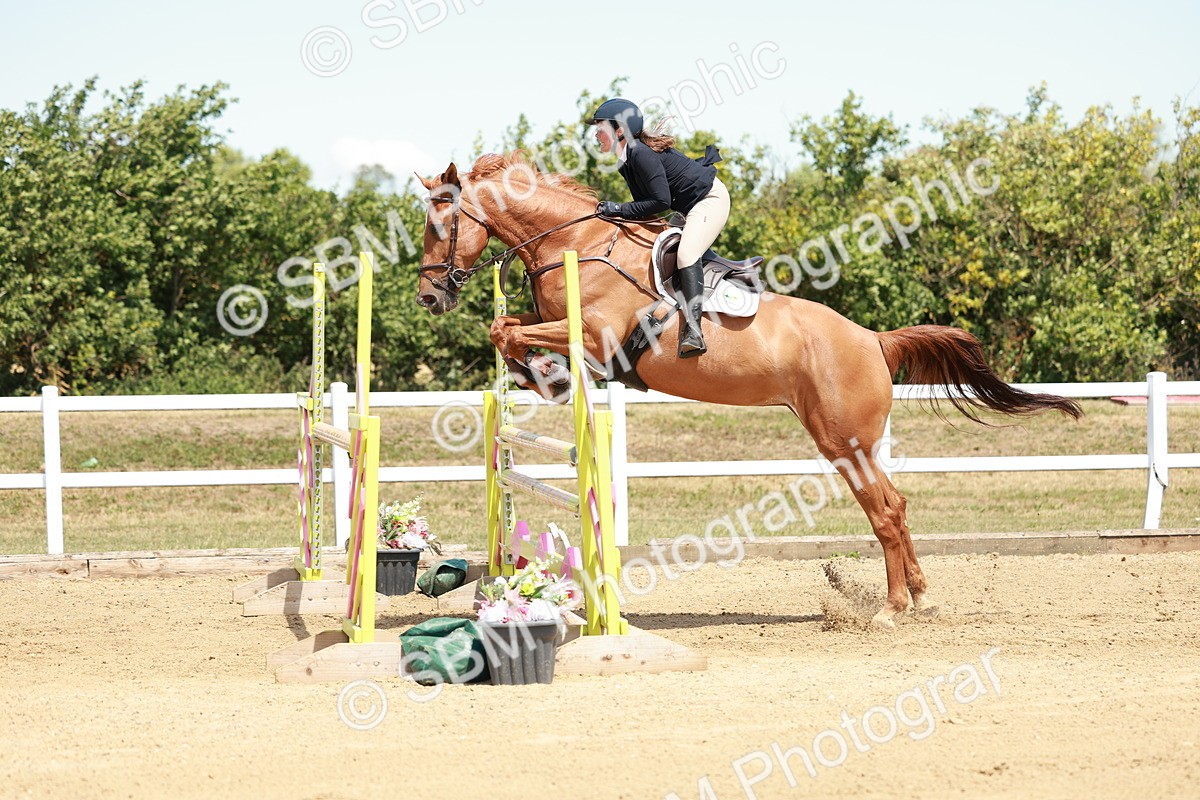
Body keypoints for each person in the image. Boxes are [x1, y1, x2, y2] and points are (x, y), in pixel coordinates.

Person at [586, 98, 728, 358]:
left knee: (686, 254)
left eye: (600, 128)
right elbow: (645, 207)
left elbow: (659, 202)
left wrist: (617, 209)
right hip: (686, 207)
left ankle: (694, 330)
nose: (596, 134)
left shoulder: (640, 153)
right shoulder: (625, 159)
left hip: (709, 200)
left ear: (620, 131)